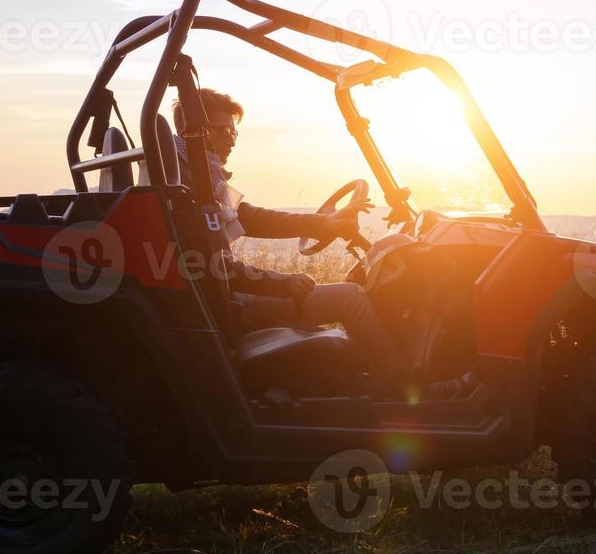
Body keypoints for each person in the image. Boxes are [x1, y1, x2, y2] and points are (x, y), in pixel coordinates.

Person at [170, 88, 425, 397]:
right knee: (352, 297)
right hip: (230, 304)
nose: (232, 139)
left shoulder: (192, 176)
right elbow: (216, 267)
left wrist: (322, 224)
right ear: (195, 131)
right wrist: (281, 282)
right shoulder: (185, 188)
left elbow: (249, 217)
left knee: (338, 296)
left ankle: (359, 378)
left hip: (226, 299)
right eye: (224, 131)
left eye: (234, 132)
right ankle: (403, 386)